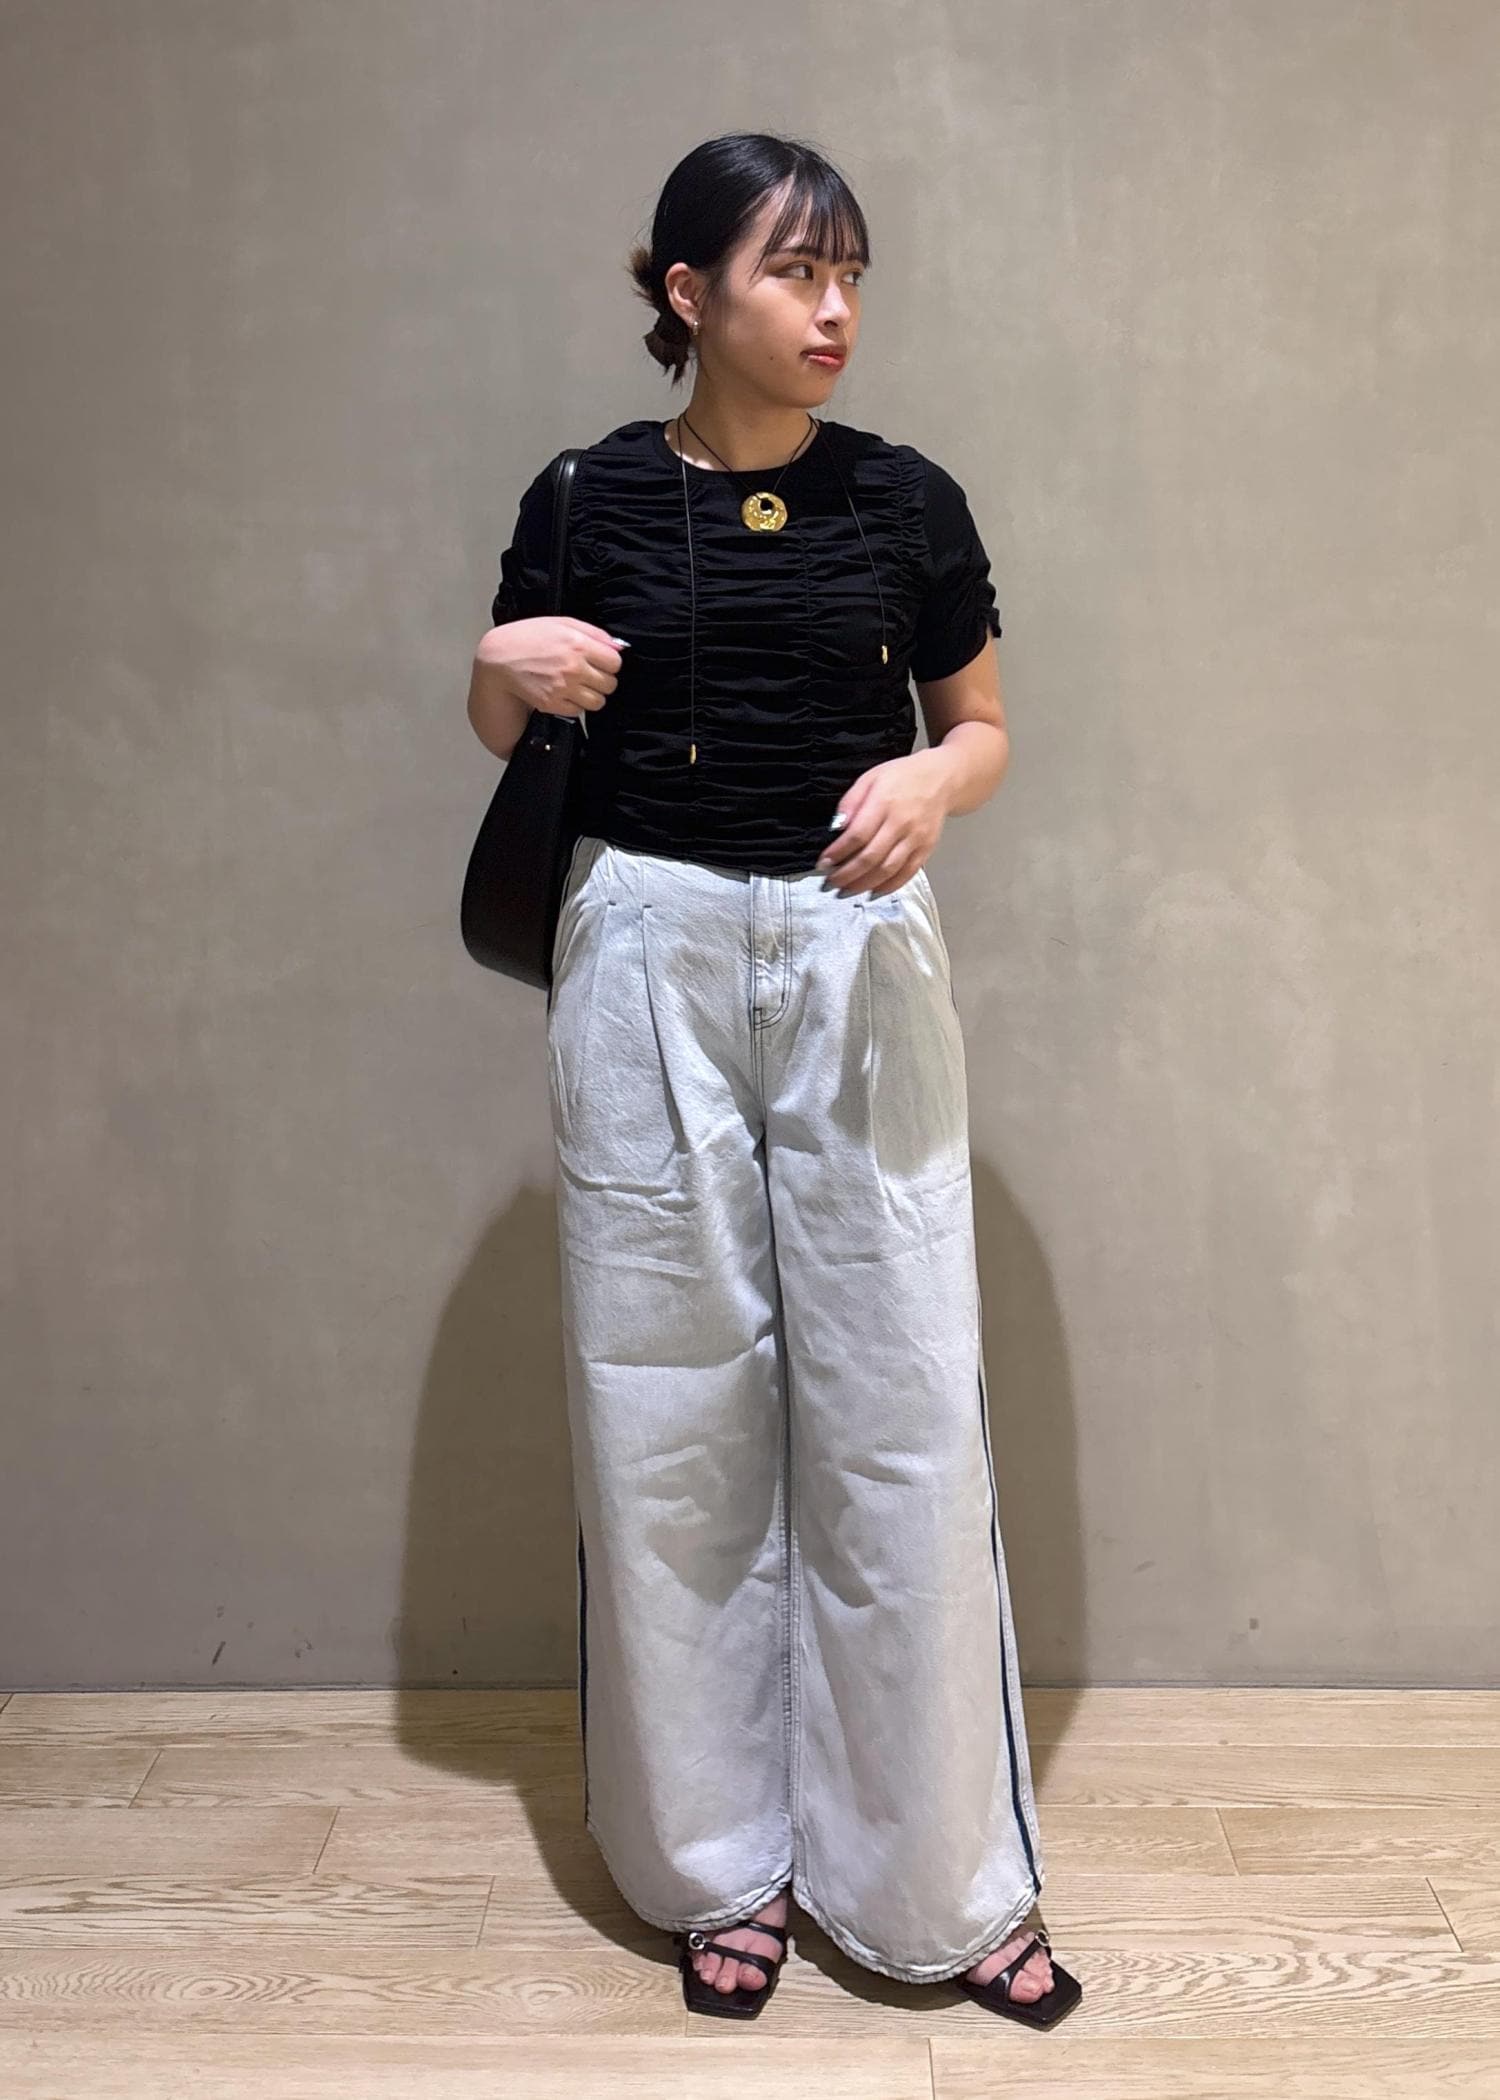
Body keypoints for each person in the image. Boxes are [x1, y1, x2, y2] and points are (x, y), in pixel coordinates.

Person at [466, 131, 1082, 2030]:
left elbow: (983, 728)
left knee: (902, 1399)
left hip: (851, 945)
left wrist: (931, 779)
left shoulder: (907, 498)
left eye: (850, 275)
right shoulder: (583, 494)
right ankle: (715, 1865)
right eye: (796, 272)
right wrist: (500, 660)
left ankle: (940, 1880)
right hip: (644, 946)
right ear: (689, 293)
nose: (835, 311)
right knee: (670, 1412)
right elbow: (501, 718)